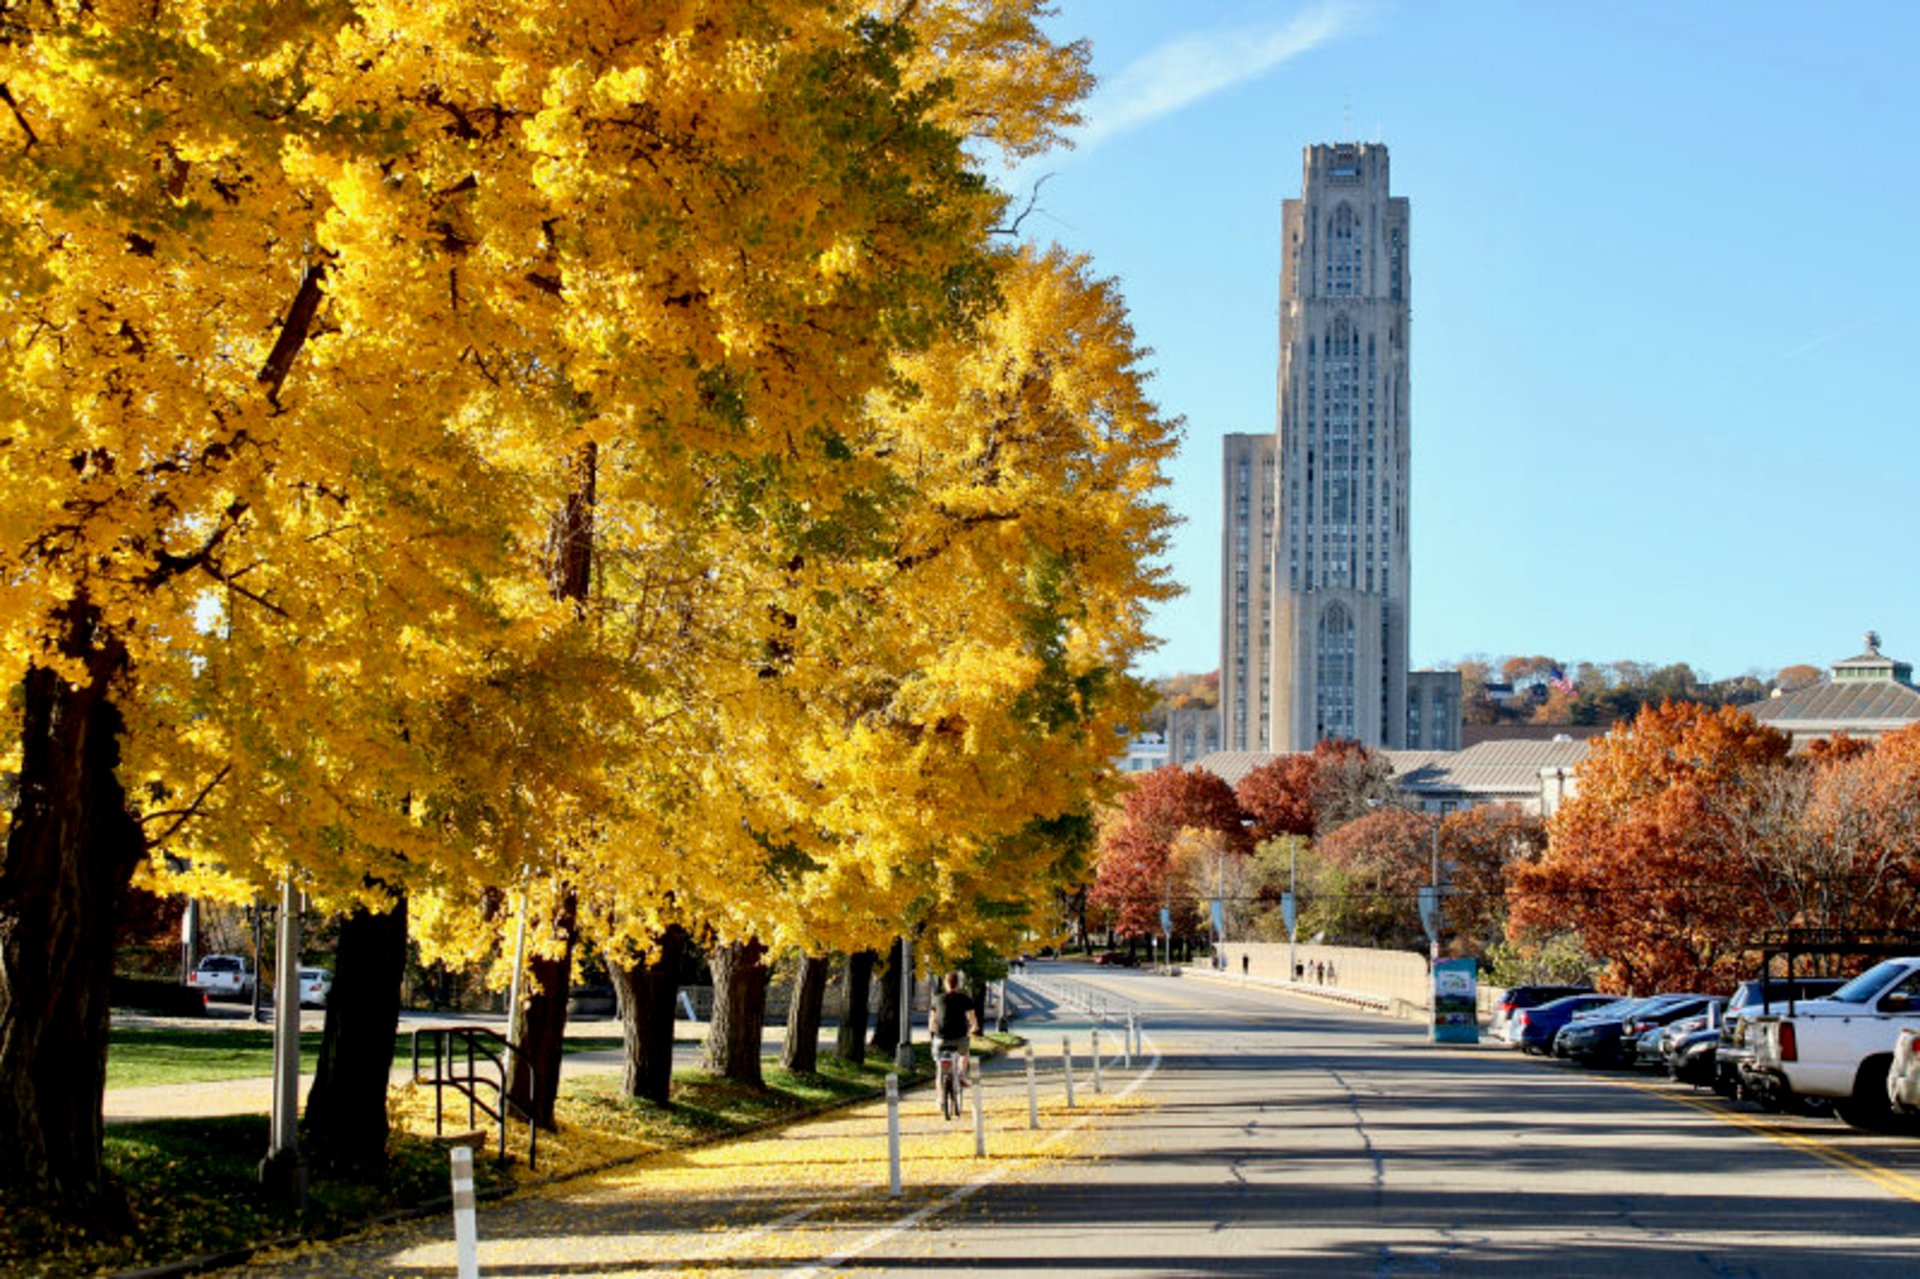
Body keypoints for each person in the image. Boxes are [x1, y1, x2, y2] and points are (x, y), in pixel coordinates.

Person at [929, 971, 981, 1086]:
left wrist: (936, 1032)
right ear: (958, 984)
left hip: (941, 1039)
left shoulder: (936, 999)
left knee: (939, 1069)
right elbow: (973, 1023)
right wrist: (971, 1030)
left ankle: (940, 1099)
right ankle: (961, 1075)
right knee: (964, 1054)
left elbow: (931, 1024)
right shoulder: (965, 999)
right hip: (960, 1039)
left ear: (945, 984)